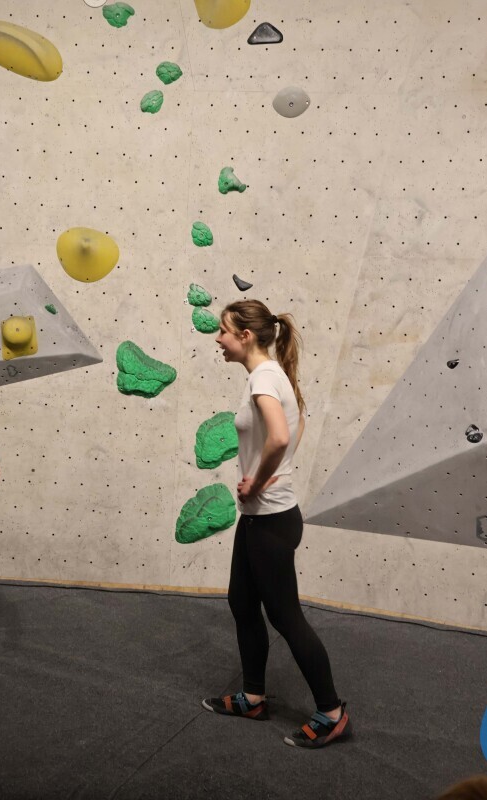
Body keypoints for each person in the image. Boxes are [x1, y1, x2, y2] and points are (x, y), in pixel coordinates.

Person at [201, 299, 349, 748]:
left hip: (270, 519)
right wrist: (267, 480)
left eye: (224, 331)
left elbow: (281, 437)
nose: (218, 339)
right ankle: (253, 697)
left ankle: (332, 713)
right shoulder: (271, 375)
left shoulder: (264, 377)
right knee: (242, 603)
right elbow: (294, 429)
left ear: (245, 336)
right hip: (260, 519)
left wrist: (259, 481)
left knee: (285, 616)